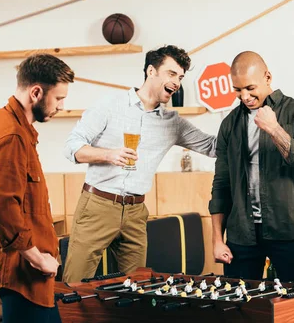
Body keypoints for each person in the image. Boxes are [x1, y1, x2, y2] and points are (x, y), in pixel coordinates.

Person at [62, 45, 216, 282]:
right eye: (172, 74)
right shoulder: (110, 105)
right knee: (74, 285)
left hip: (136, 213)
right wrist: (108, 155)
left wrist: (246, 121)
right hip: (98, 205)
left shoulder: (172, 123)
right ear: (151, 71)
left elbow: (213, 147)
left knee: (137, 288)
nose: (176, 82)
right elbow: (72, 147)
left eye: (181, 77)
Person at [0, 54, 75, 322]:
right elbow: (1, 209)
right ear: (36, 92)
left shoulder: (2, 123)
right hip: (20, 271)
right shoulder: (10, 135)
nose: (62, 106)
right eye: (58, 98)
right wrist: (38, 259)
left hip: (22, 268)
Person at [209, 51, 294, 284]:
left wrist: (274, 129)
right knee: (238, 311)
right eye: (238, 90)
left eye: (250, 88)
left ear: (267, 78)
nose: (245, 96)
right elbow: (221, 184)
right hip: (241, 235)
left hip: (288, 230)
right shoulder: (229, 124)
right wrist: (217, 239)